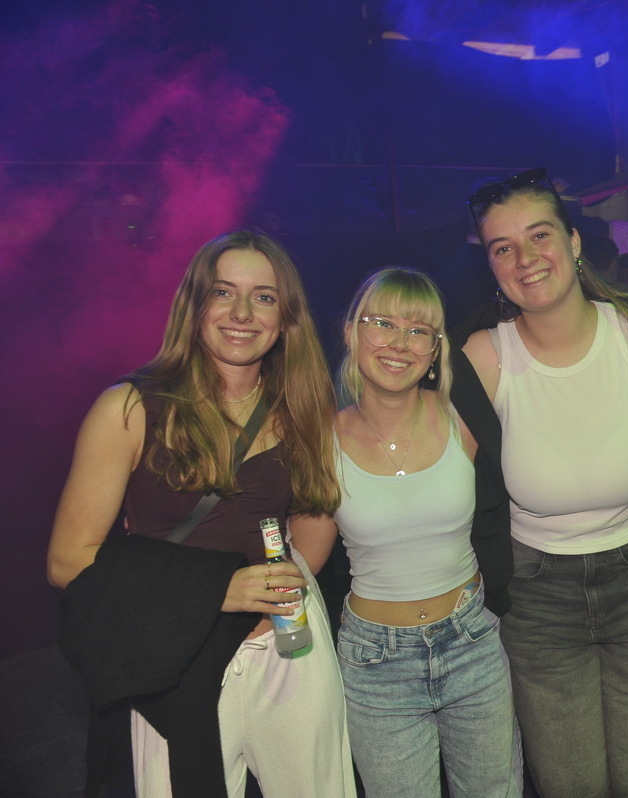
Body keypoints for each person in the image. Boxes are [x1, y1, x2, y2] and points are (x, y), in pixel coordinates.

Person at [48, 230, 355, 797]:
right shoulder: (130, 408)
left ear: (285, 317)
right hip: (175, 659)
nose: (242, 313)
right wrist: (220, 589)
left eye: (264, 297)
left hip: (288, 652)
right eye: (223, 292)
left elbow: (313, 524)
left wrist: (283, 592)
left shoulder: (303, 409)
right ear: (194, 304)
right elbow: (68, 560)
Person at [451, 167, 628, 798]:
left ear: (575, 241)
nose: (525, 258)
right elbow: (435, 467)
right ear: (491, 265)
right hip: (537, 598)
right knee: (570, 784)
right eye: (503, 247)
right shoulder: (481, 356)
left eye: (540, 235)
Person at [289, 267, 522, 797]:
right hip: (375, 662)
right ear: (350, 332)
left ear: (436, 349)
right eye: (383, 324)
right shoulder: (320, 441)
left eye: (419, 330)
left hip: (472, 642)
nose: (399, 343)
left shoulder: (466, 418)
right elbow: (303, 560)